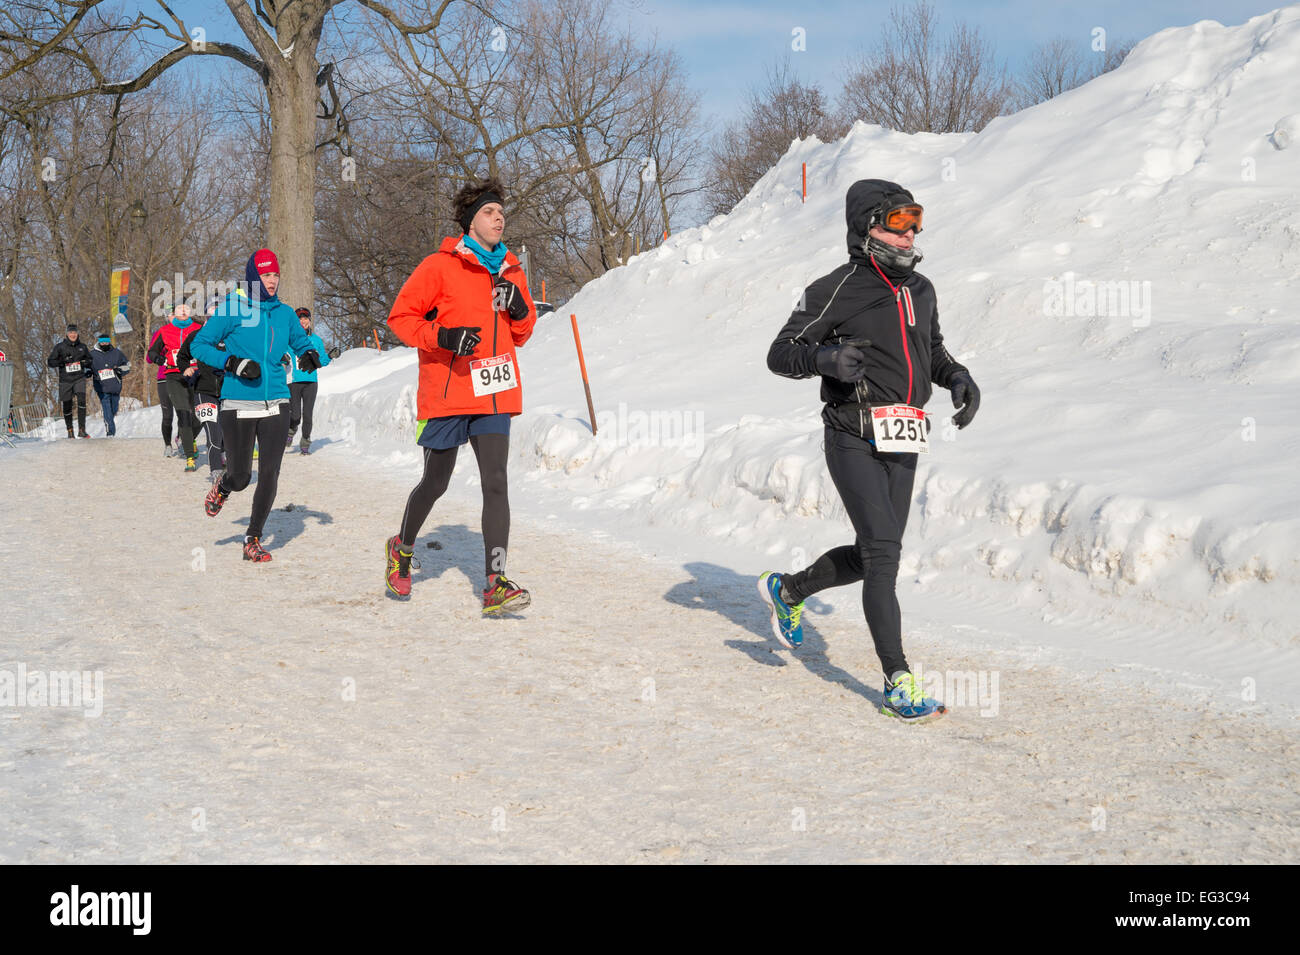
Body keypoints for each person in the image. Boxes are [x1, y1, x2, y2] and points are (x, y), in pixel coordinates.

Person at [762, 178, 982, 724]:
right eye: (898, 225)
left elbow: (929, 349)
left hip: (904, 435)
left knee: (874, 553)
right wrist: (825, 359)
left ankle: (790, 590)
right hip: (851, 434)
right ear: (868, 230)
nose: (911, 236)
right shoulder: (838, 287)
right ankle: (897, 682)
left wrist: (956, 376)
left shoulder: (923, 288)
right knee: (883, 553)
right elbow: (780, 352)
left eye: (916, 225)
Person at [383, 177, 538, 609]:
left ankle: (495, 582)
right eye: (489, 212)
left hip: (494, 393)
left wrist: (521, 309)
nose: (499, 219)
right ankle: (403, 548)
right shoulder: (440, 266)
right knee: (436, 482)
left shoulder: (512, 270)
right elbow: (401, 318)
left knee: (497, 483)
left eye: (502, 213)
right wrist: (444, 336)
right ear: (471, 222)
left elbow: (522, 334)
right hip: (449, 394)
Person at [190, 248, 321, 562]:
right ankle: (224, 485)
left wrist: (308, 353)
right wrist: (231, 362)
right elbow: (199, 344)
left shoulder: (285, 313)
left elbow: (300, 341)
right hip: (238, 402)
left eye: (275, 274)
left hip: (277, 400)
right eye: (265, 274)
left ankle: (253, 538)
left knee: (270, 473)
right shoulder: (233, 309)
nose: (272, 281)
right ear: (253, 277)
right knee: (241, 477)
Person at [148, 304, 203, 470]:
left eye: (186, 308)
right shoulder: (165, 331)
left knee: (200, 414)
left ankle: (189, 438)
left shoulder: (199, 328)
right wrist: (162, 360)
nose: (183, 311)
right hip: (173, 376)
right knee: (184, 414)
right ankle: (190, 457)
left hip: (196, 374)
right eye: (179, 309)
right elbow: (151, 353)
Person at [176, 324, 226, 485]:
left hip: (229, 392)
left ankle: (226, 459)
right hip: (204, 391)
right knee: (214, 434)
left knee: (228, 432)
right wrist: (186, 369)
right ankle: (216, 472)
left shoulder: (231, 335)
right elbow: (182, 356)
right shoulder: (196, 336)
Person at [285, 306, 331, 454]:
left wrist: (330, 356)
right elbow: (282, 353)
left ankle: (305, 441)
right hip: (295, 380)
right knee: (295, 415)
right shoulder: (290, 338)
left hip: (311, 381)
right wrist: (283, 358)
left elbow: (322, 361)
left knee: (308, 414)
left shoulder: (316, 340)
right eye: (300, 319)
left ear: (310, 321)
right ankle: (291, 429)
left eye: (306, 318)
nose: (303, 321)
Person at [46, 324, 94, 438]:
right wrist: (61, 362)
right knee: (67, 405)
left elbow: (90, 359)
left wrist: (84, 363)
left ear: (77, 334)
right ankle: (70, 431)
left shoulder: (82, 346)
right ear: (67, 334)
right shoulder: (60, 347)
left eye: (75, 333)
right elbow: (50, 362)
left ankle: (82, 430)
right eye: (71, 333)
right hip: (65, 380)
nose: (73, 335)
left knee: (82, 400)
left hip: (79, 378)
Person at [89, 332, 130, 436]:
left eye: (106, 342)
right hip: (101, 387)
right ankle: (110, 432)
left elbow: (127, 365)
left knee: (114, 409)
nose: (104, 344)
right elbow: (87, 367)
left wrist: (120, 370)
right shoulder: (92, 354)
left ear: (109, 342)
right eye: (102, 343)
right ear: (99, 343)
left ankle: (109, 422)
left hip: (115, 386)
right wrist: (87, 372)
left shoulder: (117, 353)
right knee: (106, 408)